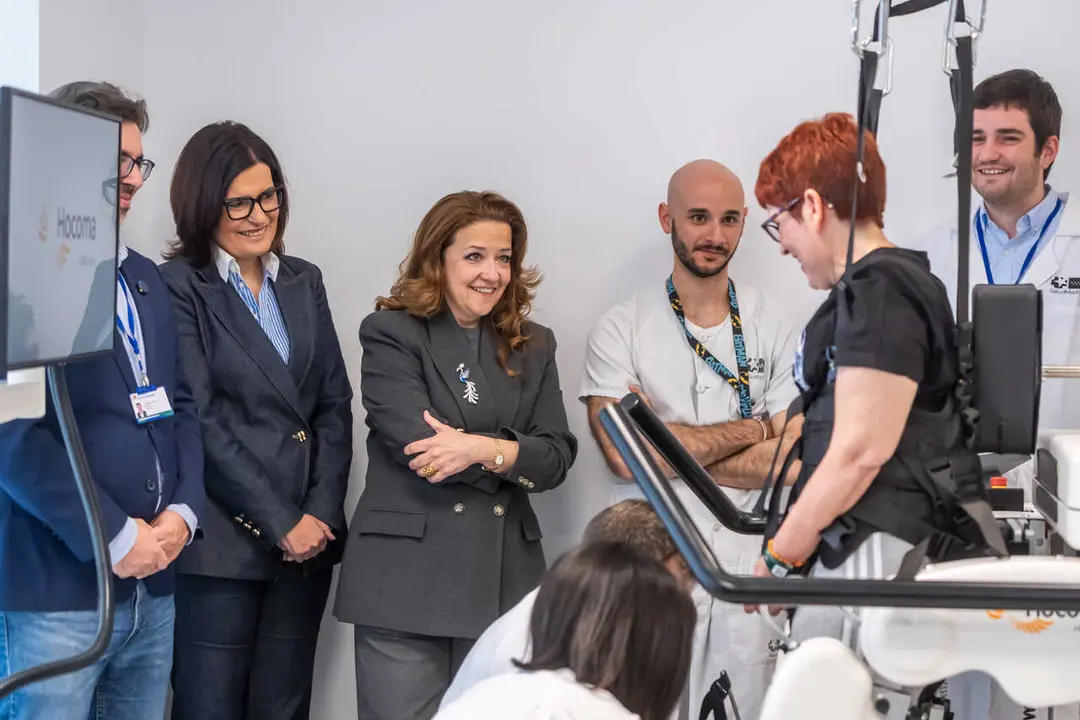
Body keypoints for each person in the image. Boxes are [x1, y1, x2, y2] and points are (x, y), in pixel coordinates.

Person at [745, 112, 999, 645]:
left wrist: (779, 560)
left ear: (812, 207)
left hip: (879, 546)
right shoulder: (887, 286)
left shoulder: (881, 291)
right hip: (864, 542)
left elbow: (860, 451)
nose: (781, 244)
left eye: (779, 223)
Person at [0, 81, 204, 719]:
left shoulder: (143, 276)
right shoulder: (20, 273)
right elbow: (11, 434)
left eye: (138, 162)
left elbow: (183, 404)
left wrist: (185, 512)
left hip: (155, 587)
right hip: (57, 592)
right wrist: (114, 534)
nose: (134, 178)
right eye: (118, 161)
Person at [333, 190, 578, 720]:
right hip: (405, 584)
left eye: (504, 258)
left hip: (504, 586)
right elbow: (421, 452)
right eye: (474, 256)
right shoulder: (392, 332)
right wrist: (513, 455)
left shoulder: (535, 345)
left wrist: (478, 448)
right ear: (436, 258)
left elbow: (557, 457)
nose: (492, 272)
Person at [580, 159, 801, 720]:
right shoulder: (620, 327)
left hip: (748, 565)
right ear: (666, 218)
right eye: (698, 217)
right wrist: (759, 428)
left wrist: (664, 443)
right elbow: (623, 458)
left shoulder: (775, 324)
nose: (714, 235)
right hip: (651, 567)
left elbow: (796, 462)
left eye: (729, 219)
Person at [159, 121, 353, 720]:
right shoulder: (176, 286)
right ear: (201, 205)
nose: (256, 214)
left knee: (285, 708)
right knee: (208, 708)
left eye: (267, 197)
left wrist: (318, 514)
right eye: (237, 202)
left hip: (305, 548)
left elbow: (332, 405)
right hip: (222, 547)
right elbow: (201, 420)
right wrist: (279, 521)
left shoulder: (303, 280)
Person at [912, 68, 1074, 720]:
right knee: (973, 687)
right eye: (976, 137)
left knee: (1063, 687)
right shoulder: (931, 249)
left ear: (1049, 149)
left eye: (1008, 137)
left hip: (1071, 514)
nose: (987, 153)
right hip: (964, 509)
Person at [441, 498, 693, 709]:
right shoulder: (527, 647)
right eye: (678, 580)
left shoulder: (581, 617)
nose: (684, 596)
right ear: (623, 571)